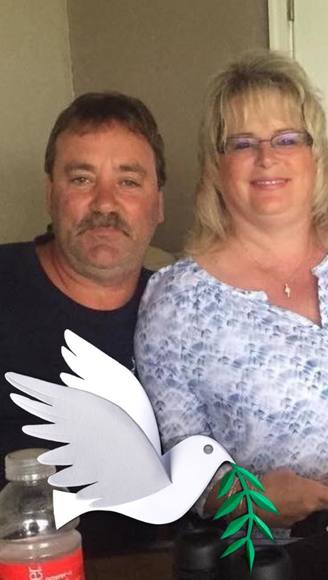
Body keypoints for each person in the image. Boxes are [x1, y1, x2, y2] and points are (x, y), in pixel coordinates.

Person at [135, 51, 328, 537]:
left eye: (287, 139)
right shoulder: (177, 303)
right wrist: (248, 497)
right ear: (215, 166)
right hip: (269, 552)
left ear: (316, 154)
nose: (267, 158)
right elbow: (180, 459)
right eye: (242, 143)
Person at [0, 91, 165, 555]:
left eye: (128, 181)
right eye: (81, 179)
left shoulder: (182, 311)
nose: (104, 204)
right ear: (50, 194)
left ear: (158, 205)